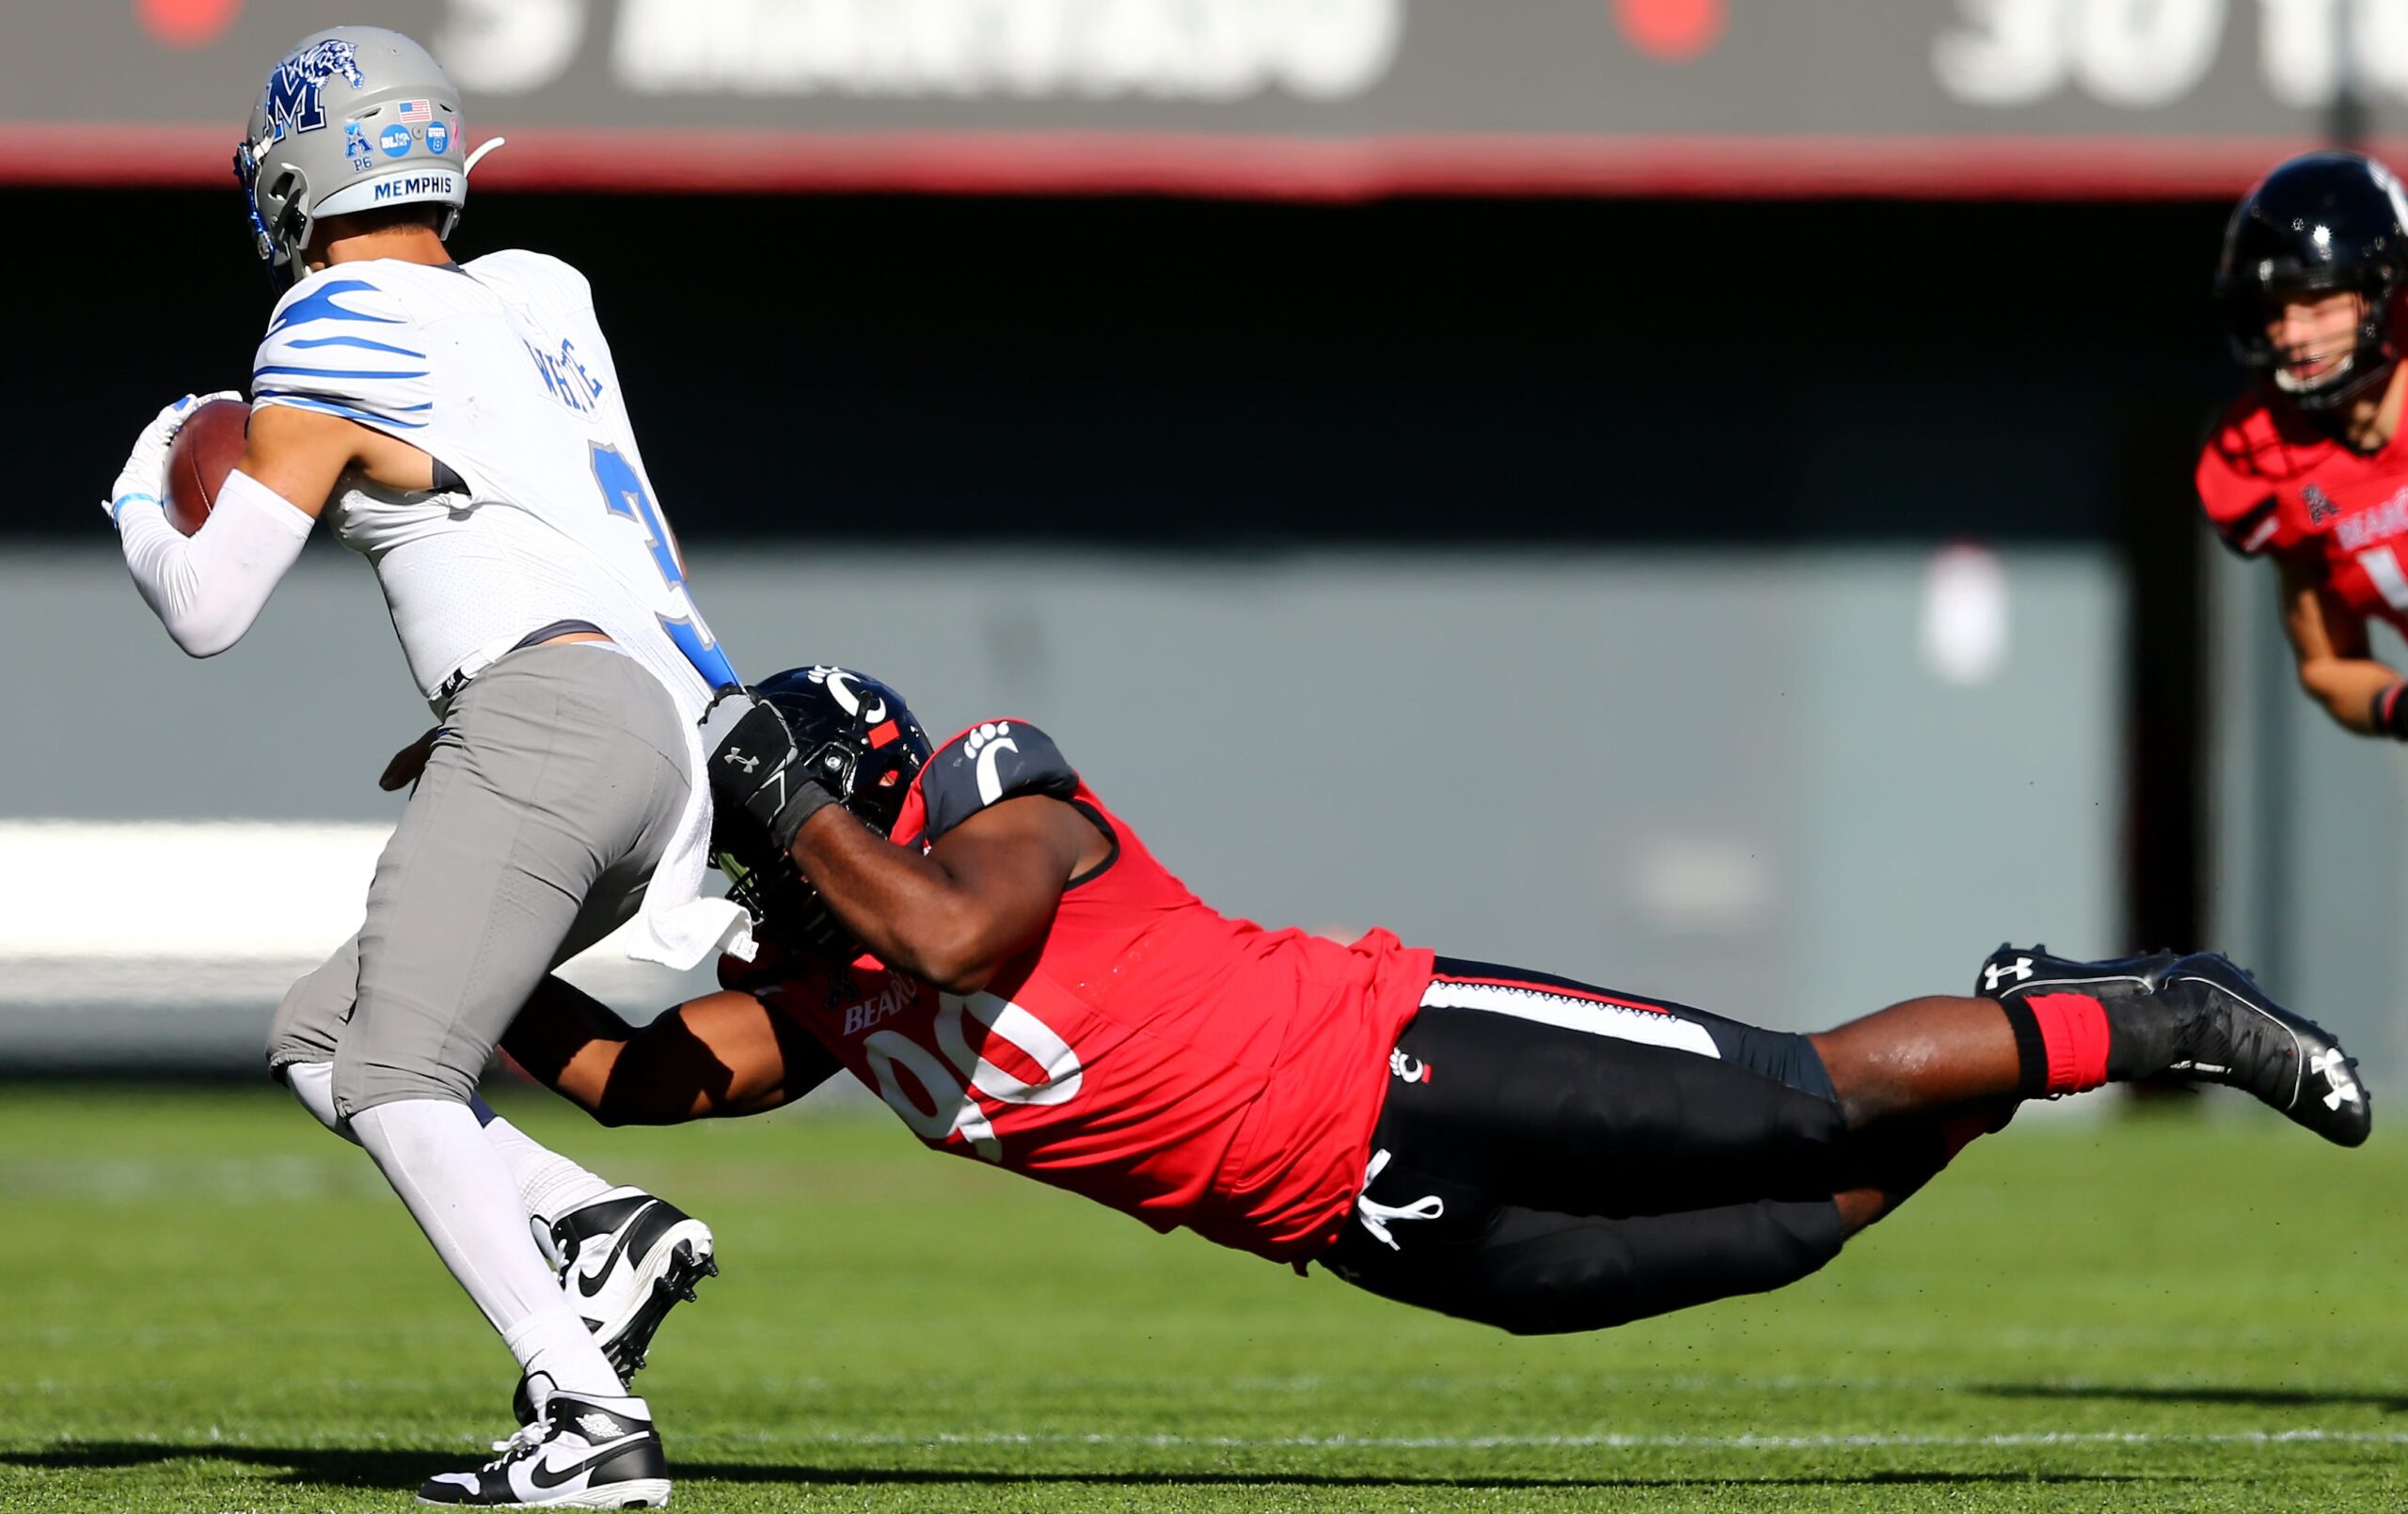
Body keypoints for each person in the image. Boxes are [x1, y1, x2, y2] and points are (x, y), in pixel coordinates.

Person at [494, 665, 2368, 1351]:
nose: (760, 882)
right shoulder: (832, 965)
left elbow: (962, 939)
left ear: (830, 792)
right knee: (1791, 1232)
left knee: (1796, 1100)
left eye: (775, 831)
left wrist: (792, 809)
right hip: (1333, 1216)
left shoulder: (1000, 806)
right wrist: (483, 999)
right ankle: (2020, 1033)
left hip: (1395, 1047)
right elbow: (660, 1082)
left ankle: (2166, 1016)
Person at [103, 27, 753, 1509]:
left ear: (298, 171)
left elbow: (207, 609)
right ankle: (600, 1225)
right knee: (327, 1032)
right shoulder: (542, 295)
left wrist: (147, 492)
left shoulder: (330, 322)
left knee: (400, 1067)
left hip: (549, 718)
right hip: (659, 728)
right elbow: (543, 518)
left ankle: (583, 1412)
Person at [2199, 150, 2408, 738]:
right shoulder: (2270, 461)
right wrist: (2399, 706)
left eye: (2316, 300)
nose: (2292, 334)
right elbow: (2327, 665)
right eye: (2273, 312)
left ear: (2379, 290)